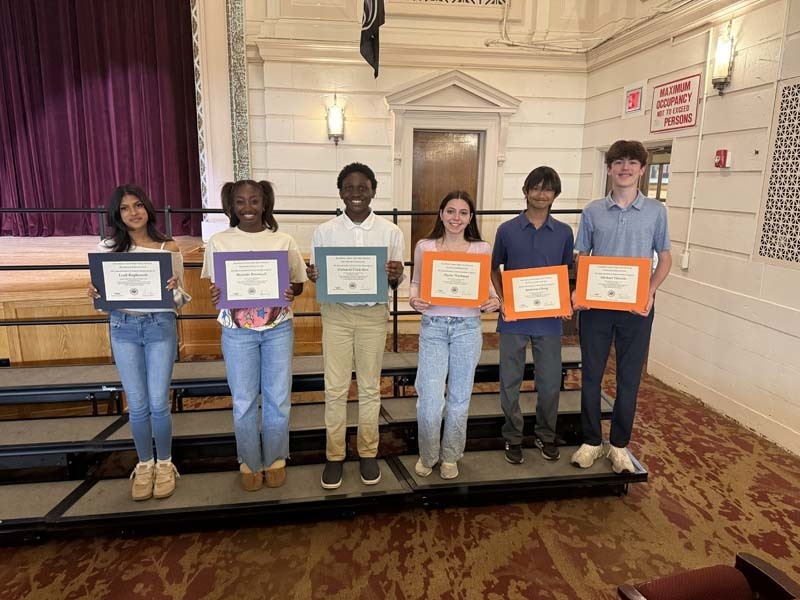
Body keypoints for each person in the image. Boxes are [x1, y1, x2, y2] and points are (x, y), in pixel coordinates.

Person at [570, 140, 672, 473]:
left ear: (642, 169)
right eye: (618, 162)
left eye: (632, 163)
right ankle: (590, 441)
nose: (625, 168)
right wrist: (579, 291)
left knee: (629, 379)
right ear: (610, 168)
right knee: (591, 376)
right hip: (596, 308)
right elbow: (582, 255)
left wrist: (651, 291)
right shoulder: (593, 210)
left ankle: (619, 445)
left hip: (636, 309)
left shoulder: (657, 211)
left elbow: (665, 257)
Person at [201, 180, 307, 491]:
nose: (248, 208)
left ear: (265, 204)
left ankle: (275, 458)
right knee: (244, 399)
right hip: (237, 332)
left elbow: (299, 284)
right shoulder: (219, 242)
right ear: (231, 207)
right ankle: (248, 460)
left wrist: (292, 290)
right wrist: (216, 293)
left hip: (278, 329)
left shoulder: (283, 240)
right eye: (240, 202)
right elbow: (215, 286)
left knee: (278, 397)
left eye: (254, 201)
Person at [88, 184, 188, 501]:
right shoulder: (106, 249)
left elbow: (182, 300)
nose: (134, 212)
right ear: (117, 214)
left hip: (159, 325)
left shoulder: (168, 248)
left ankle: (165, 463)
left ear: (148, 208)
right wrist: (95, 293)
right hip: (123, 325)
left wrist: (173, 288)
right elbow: (102, 294)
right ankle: (144, 463)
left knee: (159, 402)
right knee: (138, 404)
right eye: (125, 207)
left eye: (138, 205)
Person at [307, 162, 404, 490]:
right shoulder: (325, 231)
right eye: (349, 187)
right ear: (340, 192)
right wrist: (315, 276)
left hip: (372, 315)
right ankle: (334, 455)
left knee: (369, 387)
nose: (356, 194)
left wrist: (395, 276)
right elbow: (319, 275)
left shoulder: (390, 232)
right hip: (336, 314)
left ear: (374, 191)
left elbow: (395, 281)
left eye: (363, 187)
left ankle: (367, 452)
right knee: (334, 388)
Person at [408, 191, 500, 480]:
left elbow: (488, 289)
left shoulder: (481, 249)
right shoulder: (425, 246)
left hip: (468, 328)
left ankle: (450, 455)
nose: (456, 218)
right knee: (430, 398)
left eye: (463, 213)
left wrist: (494, 300)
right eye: (450, 211)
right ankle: (428, 453)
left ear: (470, 217)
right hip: (433, 325)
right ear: (441, 213)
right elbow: (415, 283)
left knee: (460, 396)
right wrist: (413, 300)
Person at [491, 167, 574, 464]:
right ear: (525, 190)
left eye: (547, 189)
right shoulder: (507, 230)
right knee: (509, 381)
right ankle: (512, 436)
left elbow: (564, 273)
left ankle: (545, 434)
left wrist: (564, 301)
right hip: (513, 318)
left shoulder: (564, 232)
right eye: (535, 188)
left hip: (549, 320)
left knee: (550, 382)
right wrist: (502, 298)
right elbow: (494, 267)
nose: (541, 194)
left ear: (555, 195)